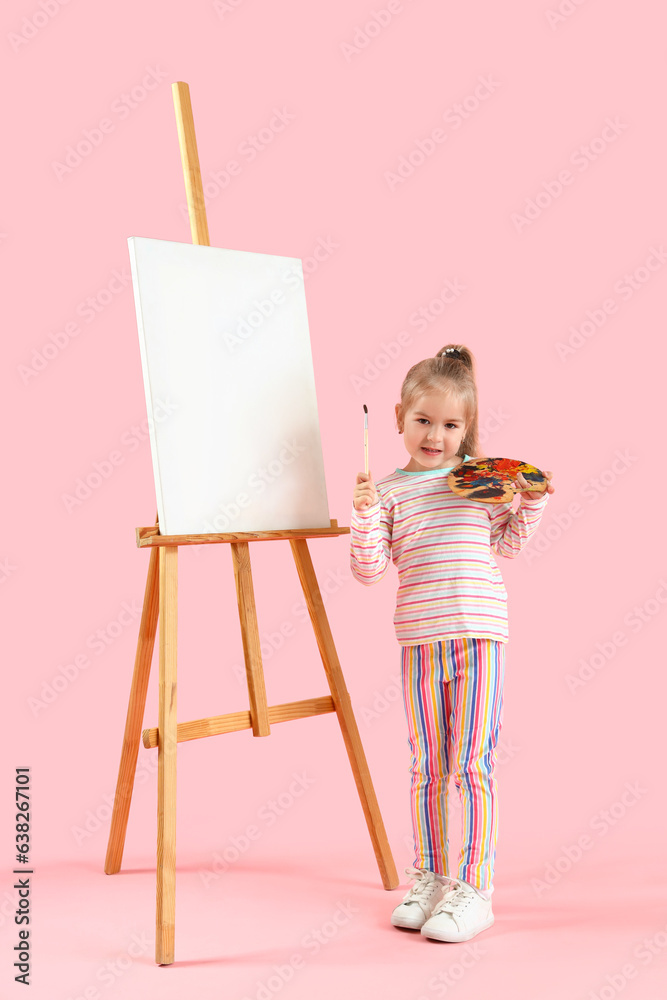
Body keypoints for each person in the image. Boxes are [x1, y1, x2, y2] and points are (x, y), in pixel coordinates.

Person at [350, 344, 555, 943]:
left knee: (471, 764)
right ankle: (432, 875)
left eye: (449, 424)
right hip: (419, 642)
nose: (435, 434)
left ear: (467, 429)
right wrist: (363, 517)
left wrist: (533, 499)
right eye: (423, 421)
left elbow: (511, 544)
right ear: (398, 418)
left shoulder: (480, 485)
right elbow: (368, 569)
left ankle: (475, 887)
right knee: (426, 767)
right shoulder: (388, 491)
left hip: (477, 637)